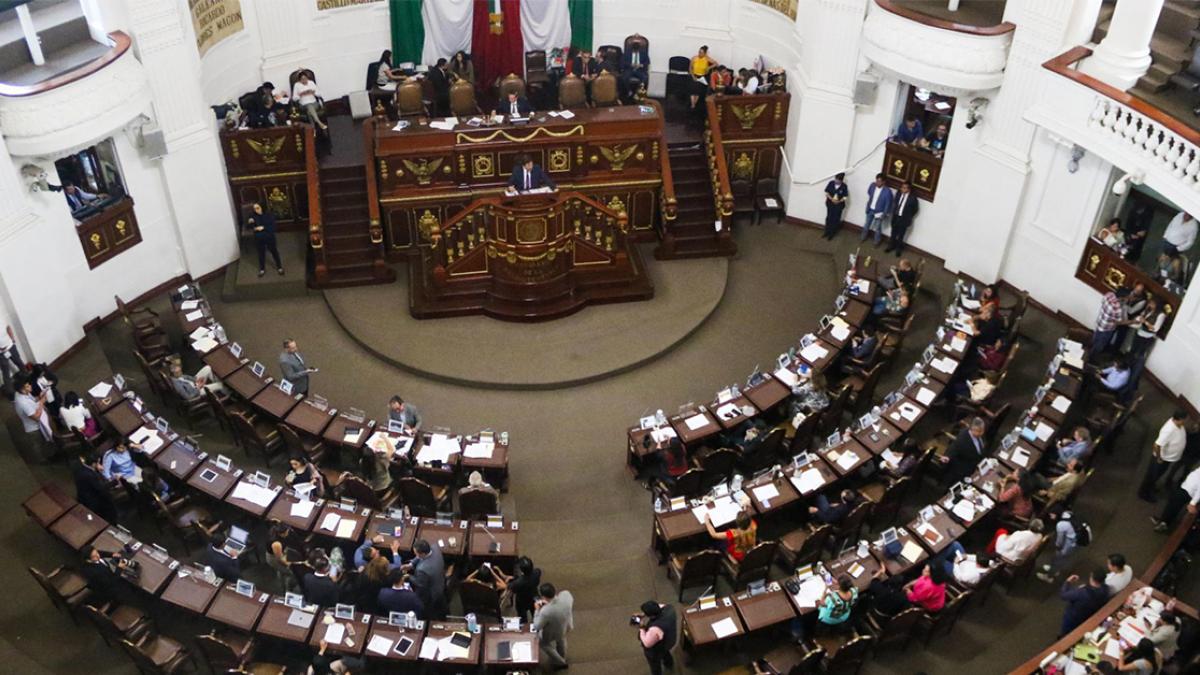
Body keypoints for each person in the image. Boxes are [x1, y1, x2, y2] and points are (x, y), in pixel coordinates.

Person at [1139, 410, 1189, 502]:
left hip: (1167, 458)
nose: (1187, 420)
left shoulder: (1179, 424)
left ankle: (1151, 487)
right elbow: (1157, 445)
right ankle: (1144, 493)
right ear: (1181, 419)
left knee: (1158, 474)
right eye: (1186, 418)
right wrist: (1158, 458)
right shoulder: (1169, 429)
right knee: (1151, 476)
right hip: (1161, 459)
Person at [533, 583, 574, 669]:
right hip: (566, 626)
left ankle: (561, 662)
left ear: (543, 597)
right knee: (561, 639)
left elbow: (536, 626)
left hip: (551, 633)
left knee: (542, 643)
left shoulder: (546, 611)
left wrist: (537, 610)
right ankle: (563, 656)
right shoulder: (566, 595)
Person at [1151, 462, 1200, 532]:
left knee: (1174, 507)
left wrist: (1193, 503)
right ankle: (1162, 520)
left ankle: (1164, 524)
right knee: (1171, 503)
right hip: (1185, 486)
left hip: (1188, 491)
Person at [1058, 569, 1109, 636]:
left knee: (1066, 629)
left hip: (1073, 616)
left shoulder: (1081, 593)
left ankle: (1062, 637)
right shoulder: (1106, 589)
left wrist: (1067, 582)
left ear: (1092, 577)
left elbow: (1063, 595)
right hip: (1088, 616)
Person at [13, 375, 52, 459]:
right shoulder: (23, 403)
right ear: (22, 390)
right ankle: (43, 460)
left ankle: (47, 455)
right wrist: (41, 402)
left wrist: (39, 396)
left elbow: (33, 400)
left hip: (36, 423)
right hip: (33, 428)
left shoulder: (22, 393)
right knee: (38, 446)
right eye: (27, 386)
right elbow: (36, 417)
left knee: (43, 443)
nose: (30, 386)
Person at [74, 452, 118, 523]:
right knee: (109, 502)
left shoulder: (81, 468)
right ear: (94, 464)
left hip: (83, 497)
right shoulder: (90, 475)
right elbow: (101, 488)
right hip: (93, 502)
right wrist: (115, 482)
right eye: (98, 462)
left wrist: (97, 470)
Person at [406, 539, 446, 618]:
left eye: (416, 553)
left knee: (428, 610)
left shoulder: (422, 569)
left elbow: (420, 583)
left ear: (423, 554)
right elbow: (418, 557)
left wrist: (408, 576)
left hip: (431, 593)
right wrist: (411, 564)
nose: (415, 555)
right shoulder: (435, 547)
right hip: (440, 582)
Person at [943, 417, 987, 485]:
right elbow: (954, 447)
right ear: (972, 429)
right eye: (979, 431)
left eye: (982, 431)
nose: (981, 433)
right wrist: (947, 456)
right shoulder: (963, 439)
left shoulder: (978, 436)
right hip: (962, 471)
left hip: (974, 465)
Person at [1037, 511, 1079, 582]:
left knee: (1058, 558)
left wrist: (1057, 546)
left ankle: (1049, 576)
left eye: (1052, 514)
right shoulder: (1068, 515)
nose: (1050, 516)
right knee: (1061, 558)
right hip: (1076, 541)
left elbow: (1060, 539)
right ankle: (1055, 570)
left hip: (1069, 544)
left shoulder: (1061, 524)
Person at [638, 600, 677, 675]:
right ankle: (669, 664)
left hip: (656, 650)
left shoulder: (655, 629)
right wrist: (644, 614)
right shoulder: (670, 609)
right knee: (666, 653)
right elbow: (661, 605)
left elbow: (647, 643)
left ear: (651, 616)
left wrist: (641, 627)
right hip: (669, 640)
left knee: (654, 665)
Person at [247, 202, 284, 277]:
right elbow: (248, 227)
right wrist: (250, 223)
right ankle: (262, 269)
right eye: (254, 209)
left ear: (262, 207)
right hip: (259, 237)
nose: (256, 210)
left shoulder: (269, 215)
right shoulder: (253, 216)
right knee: (261, 253)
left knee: (274, 251)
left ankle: (279, 267)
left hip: (269, 236)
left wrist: (263, 227)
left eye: (257, 208)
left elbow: (273, 227)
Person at [1092, 288, 1126, 359]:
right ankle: (1091, 359)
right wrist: (1133, 321)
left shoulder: (1109, 294)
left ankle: (1089, 353)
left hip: (1100, 322)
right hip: (1107, 329)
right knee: (1099, 346)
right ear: (1123, 297)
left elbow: (1102, 301)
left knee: (1095, 341)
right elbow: (1119, 322)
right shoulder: (1117, 308)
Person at [888, 181, 919, 253]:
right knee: (893, 233)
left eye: (904, 188)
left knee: (901, 235)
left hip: (904, 219)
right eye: (902, 187)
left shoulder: (913, 198)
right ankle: (891, 246)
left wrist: (908, 216)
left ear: (908, 189)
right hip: (896, 216)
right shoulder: (898, 194)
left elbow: (915, 209)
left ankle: (898, 249)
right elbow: (895, 203)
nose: (902, 189)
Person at [863, 173, 893, 246]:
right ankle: (863, 237)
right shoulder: (872, 185)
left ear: (883, 182)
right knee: (866, 225)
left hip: (879, 212)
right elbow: (869, 193)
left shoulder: (888, 191)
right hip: (870, 209)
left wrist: (884, 214)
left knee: (877, 228)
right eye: (876, 180)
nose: (877, 183)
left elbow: (888, 204)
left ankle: (877, 241)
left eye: (879, 181)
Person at [509, 556, 542, 622]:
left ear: (521, 571)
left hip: (521, 601)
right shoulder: (537, 572)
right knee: (536, 615)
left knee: (522, 618)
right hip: (534, 597)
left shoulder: (517, 583)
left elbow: (512, 589)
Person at [823, 172, 848, 240]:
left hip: (838, 206)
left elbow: (845, 197)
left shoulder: (844, 186)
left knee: (835, 219)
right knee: (829, 218)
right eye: (836, 179)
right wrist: (831, 199)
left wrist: (839, 201)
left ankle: (832, 233)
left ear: (841, 180)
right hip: (830, 204)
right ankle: (826, 231)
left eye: (838, 180)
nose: (836, 181)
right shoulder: (831, 183)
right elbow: (826, 192)